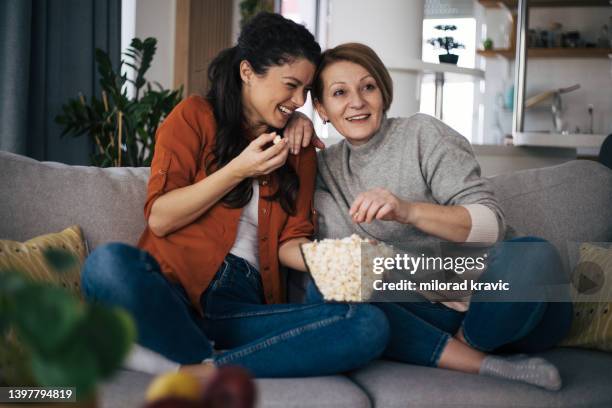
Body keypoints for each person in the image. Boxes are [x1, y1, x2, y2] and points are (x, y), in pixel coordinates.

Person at [81, 15, 389, 379]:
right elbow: (161, 218)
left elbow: (291, 242)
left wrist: (338, 257)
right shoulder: (194, 117)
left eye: (306, 90)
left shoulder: (298, 149)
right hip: (170, 291)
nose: (299, 100)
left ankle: (194, 366)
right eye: (291, 85)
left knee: (367, 323)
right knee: (107, 263)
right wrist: (238, 170)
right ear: (247, 72)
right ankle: (193, 352)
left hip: (238, 309)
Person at [291, 42, 573, 390]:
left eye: (368, 87)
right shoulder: (326, 167)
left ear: (383, 90)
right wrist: (294, 122)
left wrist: (408, 211)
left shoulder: (422, 134)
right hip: (427, 313)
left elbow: (490, 226)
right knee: (332, 283)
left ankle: (466, 349)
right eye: (339, 93)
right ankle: (481, 362)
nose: (357, 102)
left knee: (535, 255)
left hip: (502, 302)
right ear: (321, 107)